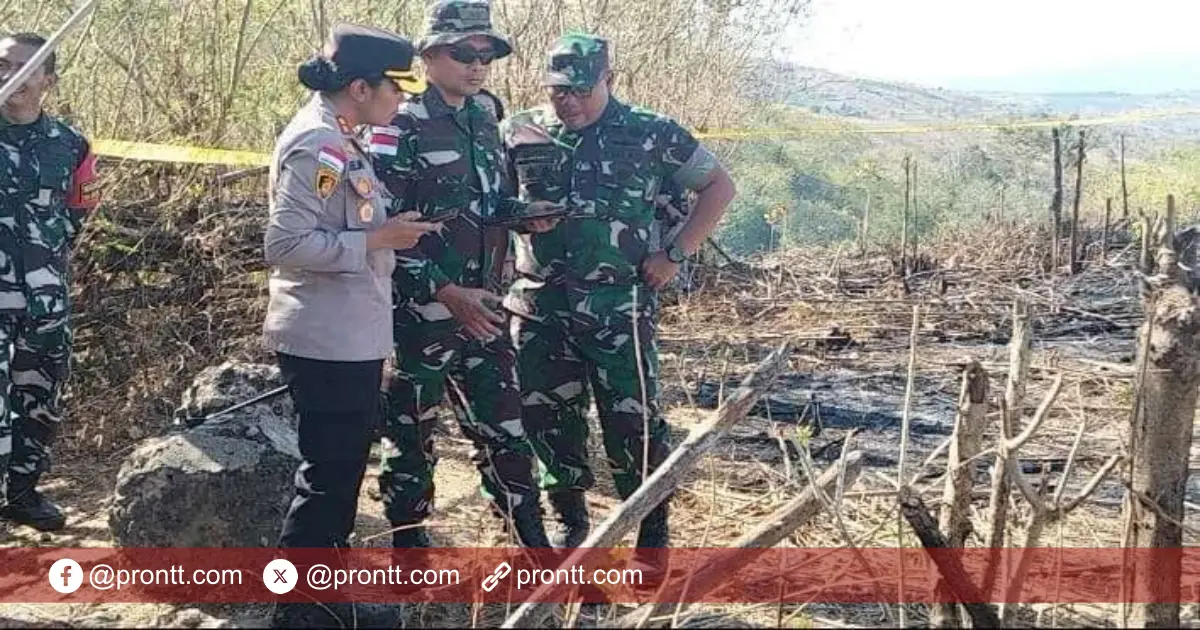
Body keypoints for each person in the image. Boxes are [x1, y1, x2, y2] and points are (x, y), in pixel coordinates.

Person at [498, 33, 737, 565]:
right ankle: (570, 525)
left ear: (610, 80)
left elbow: (719, 186)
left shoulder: (651, 133)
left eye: (582, 90)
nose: (571, 102)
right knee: (548, 419)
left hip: (619, 308)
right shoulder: (520, 132)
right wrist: (517, 214)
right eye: (559, 92)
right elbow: (491, 199)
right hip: (540, 307)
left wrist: (676, 253)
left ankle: (651, 531)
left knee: (634, 422)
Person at [367, 0, 559, 551]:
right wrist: (446, 293)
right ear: (429, 56)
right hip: (421, 316)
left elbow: (486, 202)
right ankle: (409, 562)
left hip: (486, 311)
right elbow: (384, 229)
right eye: (464, 53)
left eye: (487, 54)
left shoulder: (484, 116)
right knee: (410, 442)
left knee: (506, 435)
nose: (477, 65)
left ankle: (533, 555)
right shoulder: (399, 122)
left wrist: (523, 215)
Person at [262, 23, 436, 558]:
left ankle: (319, 598)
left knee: (337, 483)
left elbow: (342, 222)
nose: (403, 99)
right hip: (327, 341)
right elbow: (286, 242)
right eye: (396, 87)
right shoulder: (319, 143)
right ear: (360, 88)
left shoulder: (339, 135)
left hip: (348, 337)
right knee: (327, 487)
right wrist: (377, 238)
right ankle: (305, 610)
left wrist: (384, 228)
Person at [0, 33, 100, 532]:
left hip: (44, 303)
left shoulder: (71, 144)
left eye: (23, 67)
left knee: (37, 402)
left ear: (48, 81)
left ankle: (22, 493)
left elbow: (78, 212)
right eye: (2, 64)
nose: (9, 75)